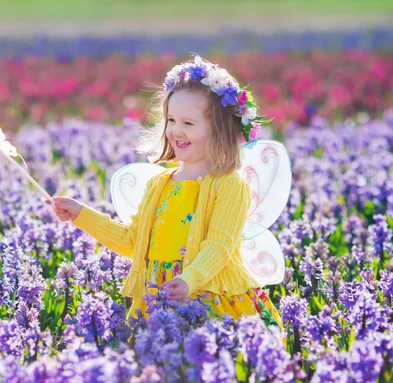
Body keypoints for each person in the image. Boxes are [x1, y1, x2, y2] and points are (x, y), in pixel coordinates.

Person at [46, 55, 284, 335]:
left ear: (219, 130)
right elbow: (133, 241)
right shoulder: (160, 183)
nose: (176, 130)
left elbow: (219, 246)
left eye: (188, 123)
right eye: (171, 120)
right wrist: (81, 214)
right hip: (157, 296)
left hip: (208, 295)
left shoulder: (228, 185)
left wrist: (189, 279)